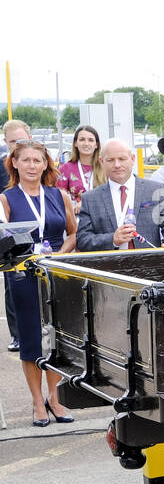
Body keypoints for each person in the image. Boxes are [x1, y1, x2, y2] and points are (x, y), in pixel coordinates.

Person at [1, 139, 78, 426]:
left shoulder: (59, 196)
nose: (32, 165)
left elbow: (73, 234)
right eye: (26, 160)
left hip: (55, 274)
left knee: (55, 339)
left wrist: (57, 256)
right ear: (15, 164)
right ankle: (37, 402)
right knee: (32, 341)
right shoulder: (6, 199)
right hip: (23, 276)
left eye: (37, 160)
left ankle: (55, 399)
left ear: (45, 164)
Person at [76, 138, 164, 251]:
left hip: (148, 263)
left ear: (132, 159)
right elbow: (82, 240)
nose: (117, 165)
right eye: (111, 160)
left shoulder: (155, 189)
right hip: (108, 266)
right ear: (102, 162)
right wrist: (112, 239)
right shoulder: (90, 199)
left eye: (122, 159)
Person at [2, 120, 32, 351]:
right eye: (13, 141)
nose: (17, 145)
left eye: (21, 140)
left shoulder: (35, 161)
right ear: (5, 142)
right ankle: (17, 335)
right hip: (9, 231)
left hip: (35, 230)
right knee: (13, 286)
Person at [56, 124, 104, 214]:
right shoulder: (65, 169)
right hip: (77, 220)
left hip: (102, 218)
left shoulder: (105, 167)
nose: (86, 143)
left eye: (91, 140)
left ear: (96, 144)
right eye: (82, 139)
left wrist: (85, 203)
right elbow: (59, 198)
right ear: (75, 143)